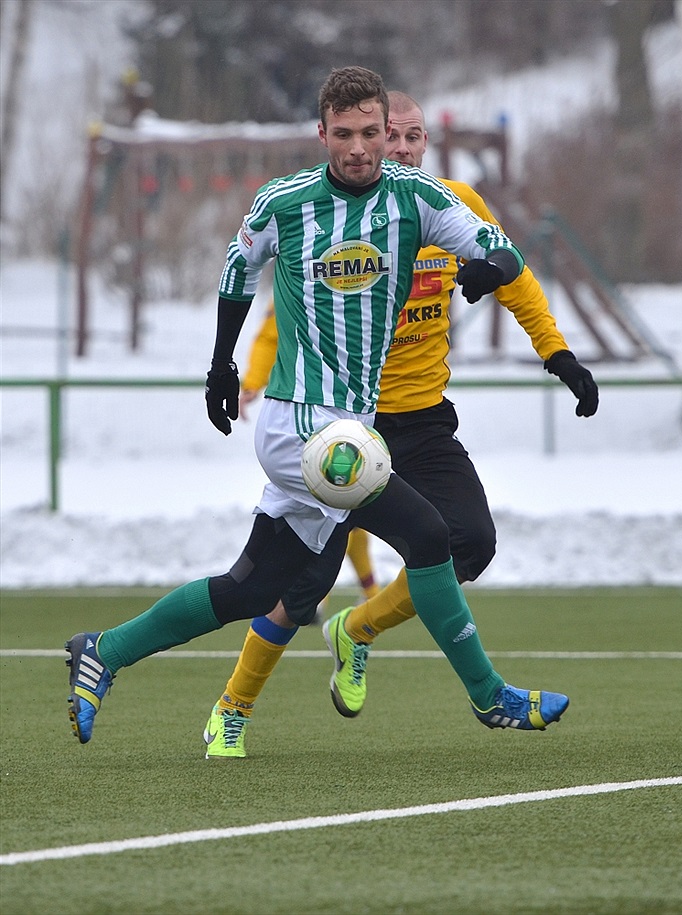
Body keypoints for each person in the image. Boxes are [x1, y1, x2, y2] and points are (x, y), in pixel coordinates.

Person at [65, 67, 572, 751]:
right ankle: (490, 699)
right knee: (428, 535)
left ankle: (104, 648)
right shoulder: (286, 201)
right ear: (322, 132)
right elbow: (237, 268)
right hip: (298, 423)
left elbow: (496, 246)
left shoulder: (416, 197)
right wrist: (222, 364)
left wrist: (491, 266)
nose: (361, 147)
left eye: (372, 132)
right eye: (346, 133)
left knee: (252, 588)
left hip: (350, 429)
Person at [201, 91, 598, 758]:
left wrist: (555, 351)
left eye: (416, 136)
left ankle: (358, 628)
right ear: (371, 140)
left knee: (469, 541)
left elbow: (516, 278)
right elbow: (283, 314)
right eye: (396, 136)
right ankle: (232, 707)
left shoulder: (446, 203)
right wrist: (247, 377)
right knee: (300, 585)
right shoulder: (344, 214)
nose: (406, 147)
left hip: (420, 424)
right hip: (340, 427)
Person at [239, 302, 379, 607]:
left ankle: (333, 594)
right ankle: (320, 594)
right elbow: (269, 337)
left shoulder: (383, 273)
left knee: (351, 505)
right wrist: (252, 382)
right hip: (310, 417)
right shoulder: (302, 274)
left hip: (370, 411)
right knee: (340, 501)